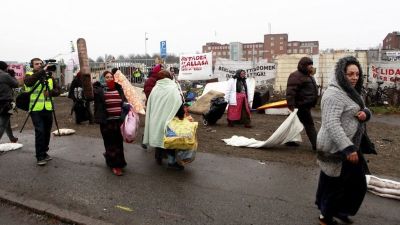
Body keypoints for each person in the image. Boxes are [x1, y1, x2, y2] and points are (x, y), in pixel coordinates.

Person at [315, 56, 371, 225]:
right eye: (350, 74)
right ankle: (326, 216)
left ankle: (337, 210)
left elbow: (362, 108)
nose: (354, 78)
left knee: (349, 181)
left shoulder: (350, 91)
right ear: (341, 74)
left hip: (350, 143)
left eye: (357, 74)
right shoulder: (333, 94)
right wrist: (348, 148)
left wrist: (366, 114)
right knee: (336, 183)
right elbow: (331, 123)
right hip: (337, 145)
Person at [143, 70, 185, 170]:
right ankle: (171, 162)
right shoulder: (173, 88)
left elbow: (150, 103)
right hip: (169, 119)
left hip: (156, 118)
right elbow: (178, 103)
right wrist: (181, 115)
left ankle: (158, 158)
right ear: (169, 77)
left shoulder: (155, 88)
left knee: (158, 137)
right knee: (170, 140)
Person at [24, 58, 60, 166]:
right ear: (32, 65)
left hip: (48, 108)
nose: (39, 65)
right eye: (36, 64)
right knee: (40, 131)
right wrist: (42, 72)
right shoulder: (29, 75)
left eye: (40, 64)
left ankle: (44, 152)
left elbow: (58, 90)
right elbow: (28, 84)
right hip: (35, 108)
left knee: (47, 131)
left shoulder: (49, 77)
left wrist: (51, 93)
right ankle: (39, 156)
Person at [93, 70, 127, 176]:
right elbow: (89, 96)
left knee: (119, 143)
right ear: (103, 79)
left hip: (118, 121)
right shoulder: (99, 90)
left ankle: (116, 161)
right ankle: (115, 166)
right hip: (107, 122)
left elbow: (123, 102)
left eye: (111, 77)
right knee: (110, 144)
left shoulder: (118, 88)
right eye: (106, 77)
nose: (109, 79)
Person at [286, 57, 318, 150]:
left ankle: (289, 140)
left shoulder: (309, 75)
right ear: (303, 66)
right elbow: (290, 92)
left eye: (311, 64)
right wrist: (291, 105)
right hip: (300, 105)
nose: (311, 67)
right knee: (309, 125)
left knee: (292, 123)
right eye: (309, 65)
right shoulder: (295, 75)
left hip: (305, 105)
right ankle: (316, 144)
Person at [0, 61, 19, 143]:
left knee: (6, 121)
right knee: (3, 124)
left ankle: (12, 138)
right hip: (6, 103)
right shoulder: (5, 75)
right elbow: (16, 84)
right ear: (4, 67)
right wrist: (12, 76)